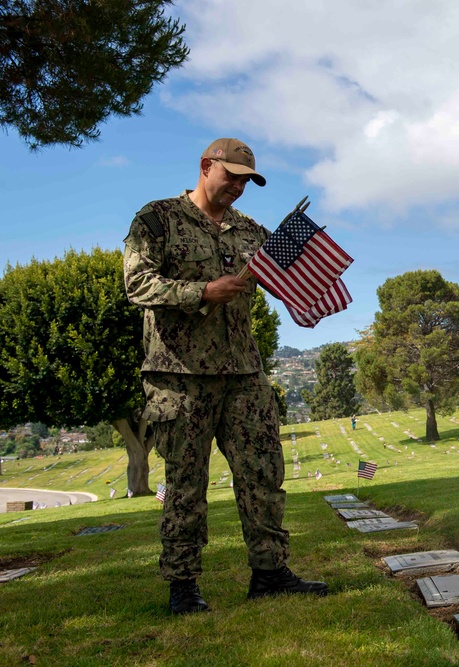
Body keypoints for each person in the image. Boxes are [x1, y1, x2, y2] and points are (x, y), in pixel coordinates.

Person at [123, 138, 328, 615]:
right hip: (180, 377)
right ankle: (183, 586)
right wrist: (201, 291)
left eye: (245, 180)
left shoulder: (250, 231)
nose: (237, 186)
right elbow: (137, 283)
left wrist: (306, 296)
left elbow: (281, 273)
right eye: (230, 175)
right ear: (205, 166)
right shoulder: (157, 219)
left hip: (244, 373)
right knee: (186, 483)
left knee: (263, 474)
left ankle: (271, 573)